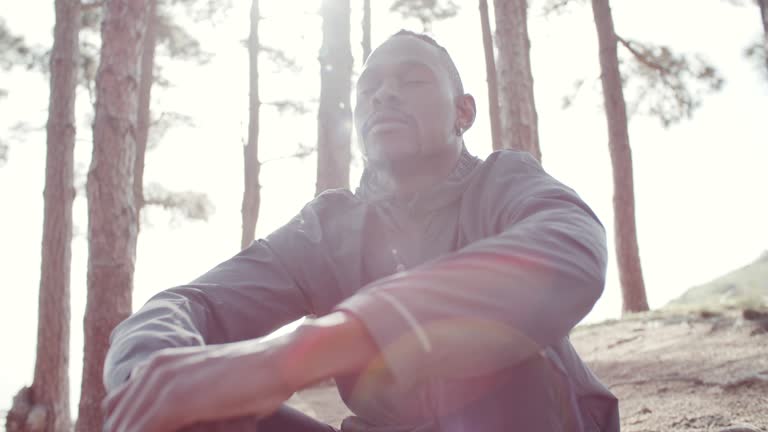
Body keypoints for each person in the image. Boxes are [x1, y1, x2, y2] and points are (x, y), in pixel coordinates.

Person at [102, 30, 620, 432]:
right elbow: (193, 303)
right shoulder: (329, 227)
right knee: (191, 406)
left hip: (524, 418)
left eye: (411, 81)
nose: (383, 96)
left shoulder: (503, 180)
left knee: (490, 343)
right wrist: (154, 371)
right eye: (369, 88)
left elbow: (569, 246)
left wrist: (303, 351)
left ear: (464, 111)